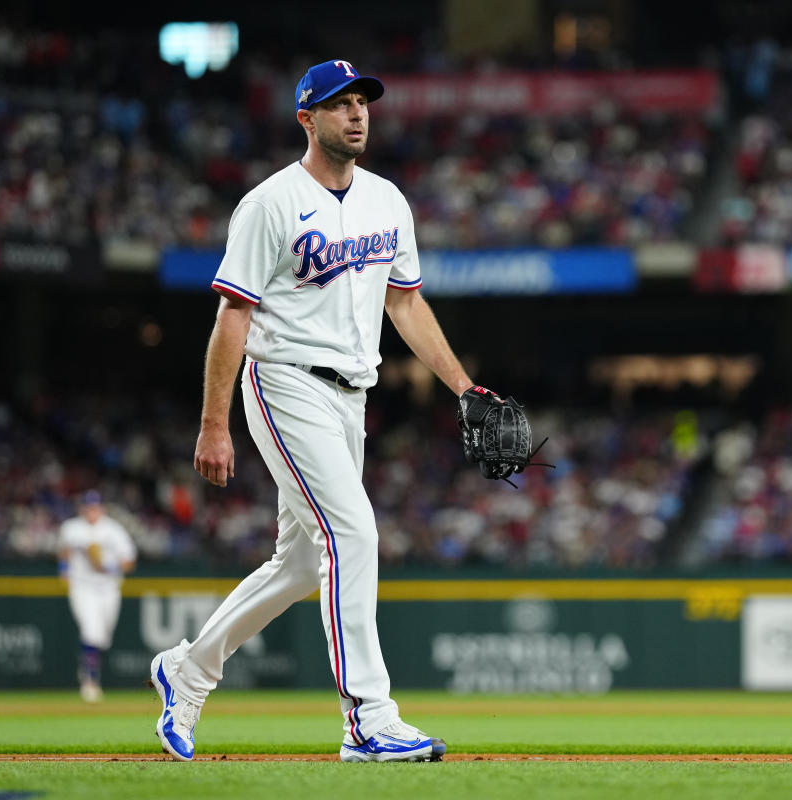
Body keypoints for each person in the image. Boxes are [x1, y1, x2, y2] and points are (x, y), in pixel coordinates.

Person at [148, 58, 487, 764]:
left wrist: (463, 388)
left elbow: (405, 302)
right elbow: (232, 316)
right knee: (353, 532)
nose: (357, 112)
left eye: (363, 101)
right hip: (284, 380)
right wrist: (214, 423)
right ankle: (368, 718)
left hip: (351, 396)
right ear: (307, 118)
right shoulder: (270, 203)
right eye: (340, 104)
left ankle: (187, 670)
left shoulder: (388, 201)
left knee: (303, 563)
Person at [58, 490, 137, 702]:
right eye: (88, 506)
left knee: (102, 638)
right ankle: (90, 681)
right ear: (82, 508)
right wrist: (63, 569)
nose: (91, 510)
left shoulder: (113, 530)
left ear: (101, 508)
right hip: (82, 587)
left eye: (95, 506)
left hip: (108, 589)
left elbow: (129, 561)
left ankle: (88, 666)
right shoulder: (71, 528)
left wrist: (107, 566)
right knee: (91, 632)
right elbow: (64, 551)